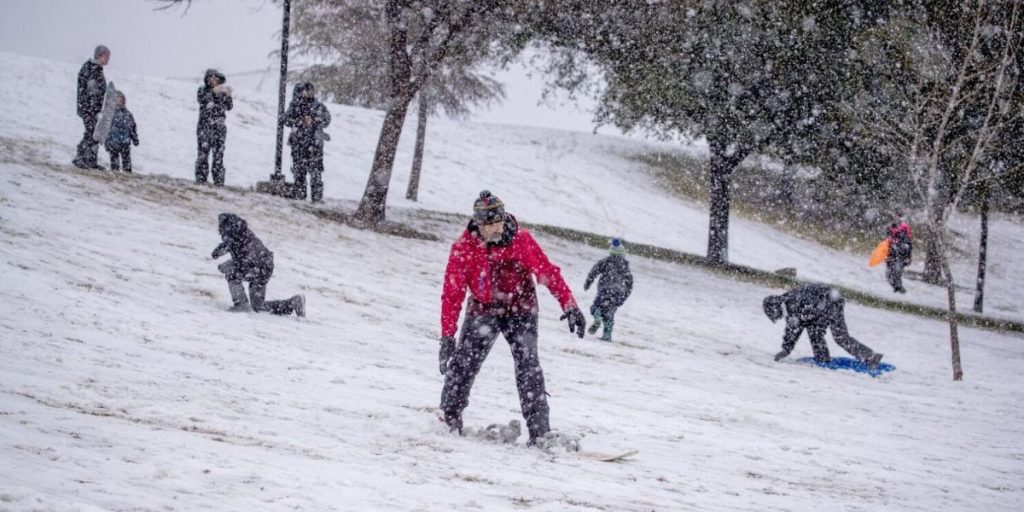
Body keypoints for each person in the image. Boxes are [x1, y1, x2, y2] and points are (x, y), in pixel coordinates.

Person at [438, 191, 586, 446]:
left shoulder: (521, 240)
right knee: (463, 363)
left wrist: (569, 305)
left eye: (499, 222)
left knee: (528, 366)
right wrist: (447, 336)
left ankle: (540, 431)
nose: (496, 228)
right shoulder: (463, 248)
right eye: (490, 224)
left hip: (521, 310)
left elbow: (547, 272)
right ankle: (448, 418)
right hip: (483, 310)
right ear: (478, 224)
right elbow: (452, 293)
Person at [762, 283, 883, 369]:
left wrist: (802, 320)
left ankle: (870, 357)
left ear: (775, 308)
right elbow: (793, 328)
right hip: (824, 306)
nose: (778, 318)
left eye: (775, 316)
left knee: (840, 337)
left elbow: (803, 318)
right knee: (814, 331)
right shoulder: (788, 306)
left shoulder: (793, 301)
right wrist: (786, 348)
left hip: (832, 303)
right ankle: (822, 358)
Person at [211, 213, 305, 317]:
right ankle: (292, 303)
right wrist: (219, 254)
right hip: (265, 267)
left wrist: (224, 262)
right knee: (257, 306)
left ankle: (241, 304)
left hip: (256, 267)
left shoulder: (232, 234)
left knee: (232, 274)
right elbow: (234, 249)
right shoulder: (242, 231)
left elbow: (241, 257)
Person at [284, 82, 331, 202]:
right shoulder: (295, 106)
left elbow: (327, 120)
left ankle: (316, 198)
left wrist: (313, 121)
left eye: (308, 91)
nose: (306, 93)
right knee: (299, 172)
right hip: (298, 144)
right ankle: (300, 196)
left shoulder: (318, 106)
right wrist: (299, 121)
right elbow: (286, 119)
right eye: (304, 91)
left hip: (314, 146)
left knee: (315, 174)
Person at [584, 237, 634, 342]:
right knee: (609, 313)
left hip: (605, 290)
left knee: (595, 307)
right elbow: (629, 283)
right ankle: (607, 335)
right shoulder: (625, 266)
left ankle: (597, 318)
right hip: (618, 293)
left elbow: (593, 272)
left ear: (610, 252)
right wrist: (624, 296)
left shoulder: (605, 261)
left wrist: (588, 283)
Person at [73, 45, 110, 170]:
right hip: (88, 108)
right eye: (106, 56)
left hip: (92, 109)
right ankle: (80, 158)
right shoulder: (91, 68)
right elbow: (91, 90)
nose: (108, 59)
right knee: (91, 133)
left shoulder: (96, 69)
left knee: (94, 134)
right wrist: (92, 108)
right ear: (100, 55)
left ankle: (90, 160)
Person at [195, 69, 233, 185]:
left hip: (219, 129)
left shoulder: (222, 92)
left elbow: (229, 106)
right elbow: (206, 102)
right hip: (205, 128)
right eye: (210, 78)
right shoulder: (203, 90)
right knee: (203, 155)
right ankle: (201, 179)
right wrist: (214, 94)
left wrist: (227, 95)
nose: (213, 80)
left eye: (216, 78)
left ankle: (218, 180)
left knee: (218, 156)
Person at [104, 91, 139, 173]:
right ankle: (115, 175)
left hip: (125, 143)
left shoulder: (128, 114)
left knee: (127, 165)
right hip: (113, 143)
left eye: (121, 99)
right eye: (117, 99)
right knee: (115, 165)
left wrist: (135, 138)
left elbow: (132, 127)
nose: (119, 101)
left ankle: (127, 174)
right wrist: (106, 142)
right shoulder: (110, 114)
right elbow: (105, 129)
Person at [885, 213, 913, 293]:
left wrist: (908, 257)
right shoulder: (889, 228)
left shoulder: (904, 228)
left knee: (897, 272)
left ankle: (900, 289)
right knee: (888, 274)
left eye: (897, 217)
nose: (895, 219)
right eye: (893, 217)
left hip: (901, 256)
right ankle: (897, 287)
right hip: (891, 255)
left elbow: (908, 244)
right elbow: (887, 241)